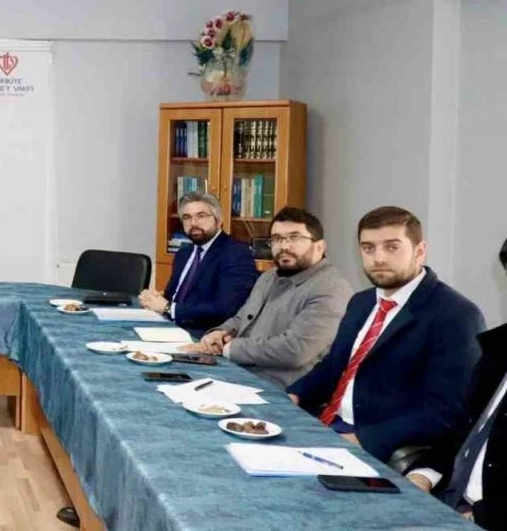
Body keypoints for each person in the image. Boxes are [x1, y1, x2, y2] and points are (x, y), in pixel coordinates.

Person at [287, 206, 484, 465]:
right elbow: (334, 366)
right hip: (325, 424)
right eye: (368, 248)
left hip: (374, 443)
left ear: (419, 251)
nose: (378, 258)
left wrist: (361, 441)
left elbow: (446, 411)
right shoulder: (361, 302)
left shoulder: (456, 315)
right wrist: (294, 395)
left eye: (392, 247)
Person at [181, 207, 352, 388]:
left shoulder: (331, 289)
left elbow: (294, 350)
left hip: (280, 390)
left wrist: (229, 348)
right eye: (277, 239)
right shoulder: (270, 276)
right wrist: (220, 333)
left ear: (319, 246)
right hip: (238, 374)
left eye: (294, 238)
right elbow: (242, 318)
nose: (284, 246)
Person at [405, 237, 507, 528]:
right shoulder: (498, 348)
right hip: (447, 501)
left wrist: (476, 517)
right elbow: (462, 428)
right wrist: (423, 474)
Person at [138, 192, 258, 334]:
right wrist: (154, 298)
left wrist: (168, 308)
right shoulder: (183, 254)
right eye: (187, 217)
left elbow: (225, 309)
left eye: (201, 216)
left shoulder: (236, 253)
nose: (193, 223)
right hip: (170, 328)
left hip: (204, 336)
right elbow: (171, 297)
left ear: (219, 220)